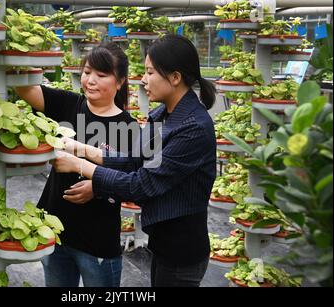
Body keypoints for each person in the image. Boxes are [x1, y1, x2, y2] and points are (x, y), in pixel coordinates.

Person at [52, 34, 217, 287]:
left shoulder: (192, 128)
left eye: (150, 72)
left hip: (182, 252)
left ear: (175, 77)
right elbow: (137, 160)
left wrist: (81, 166)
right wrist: (83, 149)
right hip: (163, 244)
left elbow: (142, 184)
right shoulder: (163, 115)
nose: (143, 79)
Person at [15, 42, 137, 287]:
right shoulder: (69, 104)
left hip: (97, 240)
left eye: (101, 75)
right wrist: (20, 49)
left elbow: (133, 181)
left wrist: (98, 187)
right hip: (56, 232)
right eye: (87, 72)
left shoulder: (128, 128)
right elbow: (23, 88)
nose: (90, 80)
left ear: (120, 82)